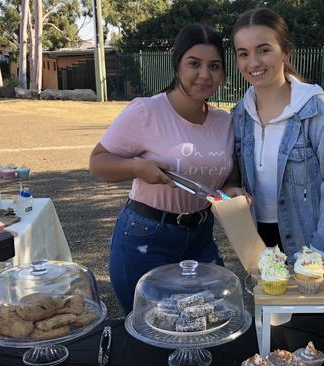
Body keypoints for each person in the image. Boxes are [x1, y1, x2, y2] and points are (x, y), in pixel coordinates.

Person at [89, 24, 232, 314]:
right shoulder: (146, 111)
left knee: (206, 321)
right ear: (177, 64)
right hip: (147, 236)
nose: (204, 75)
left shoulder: (225, 121)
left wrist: (234, 193)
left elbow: (230, 176)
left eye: (214, 66)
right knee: (151, 326)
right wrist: (139, 167)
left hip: (201, 235)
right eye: (194, 64)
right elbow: (98, 163)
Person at [224, 8, 324, 262]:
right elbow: (234, 177)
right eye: (243, 53)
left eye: (264, 49)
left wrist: (318, 253)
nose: (253, 62)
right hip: (260, 243)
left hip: (316, 243)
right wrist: (232, 188)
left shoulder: (318, 112)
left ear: (286, 51)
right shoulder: (239, 116)